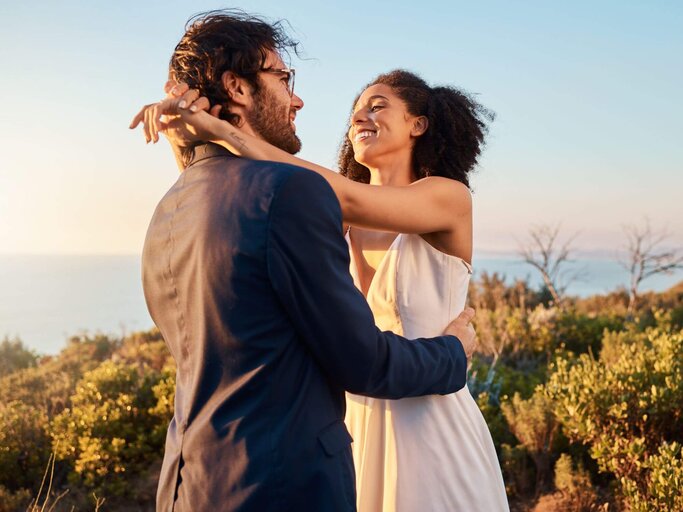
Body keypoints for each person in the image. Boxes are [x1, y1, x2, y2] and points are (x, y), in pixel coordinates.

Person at [131, 10, 478, 512]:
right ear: (239, 88)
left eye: (377, 106)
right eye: (284, 78)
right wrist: (197, 136)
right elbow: (325, 202)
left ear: (418, 124)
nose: (357, 116)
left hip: (426, 422)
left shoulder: (446, 197)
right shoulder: (305, 205)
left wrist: (213, 133)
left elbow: (336, 195)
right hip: (349, 428)